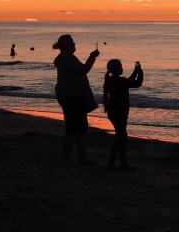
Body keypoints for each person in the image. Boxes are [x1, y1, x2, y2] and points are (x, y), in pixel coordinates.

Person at [53, 34, 99, 165]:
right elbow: (83, 70)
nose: (74, 44)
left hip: (70, 95)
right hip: (72, 96)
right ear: (66, 45)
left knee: (76, 126)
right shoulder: (67, 58)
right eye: (72, 42)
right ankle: (76, 157)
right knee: (76, 127)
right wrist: (92, 57)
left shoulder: (66, 57)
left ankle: (74, 157)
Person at [103, 59, 144, 171]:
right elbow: (136, 83)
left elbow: (128, 82)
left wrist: (135, 72)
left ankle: (123, 163)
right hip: (119, 112)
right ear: (117, 69)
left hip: (112, 111)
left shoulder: (110, 80)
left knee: (122, 137)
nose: (122, 68)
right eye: (120, 66)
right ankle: (111, 164)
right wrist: (140, 72)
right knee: (120, 137)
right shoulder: (120, 81)